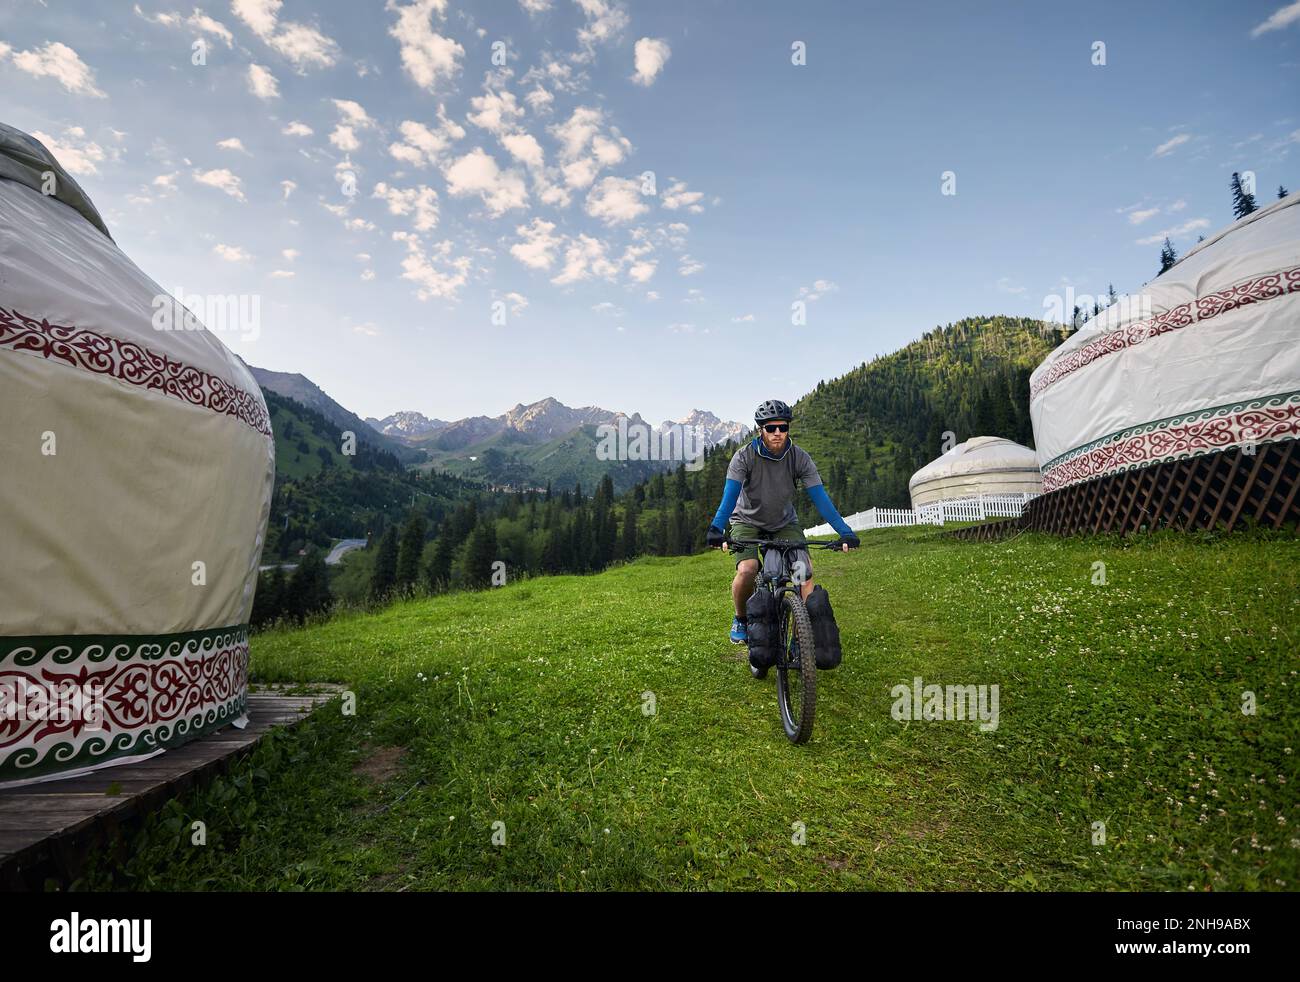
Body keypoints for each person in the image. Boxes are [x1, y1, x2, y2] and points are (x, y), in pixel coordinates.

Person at [706, 399, 858, 673]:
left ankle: (801, 640)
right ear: (761, 430)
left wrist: (845, 532)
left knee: (805, 575)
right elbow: (729, 497)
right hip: (746, 521)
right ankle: (741, 619)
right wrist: (717, 528)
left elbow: (820, 499)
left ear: (788, 428)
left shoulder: (799, 458)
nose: (777, 432)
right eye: (771, 427)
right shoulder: (744, 457)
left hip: (784, 522)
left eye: (782, 427)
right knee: (749, 569)